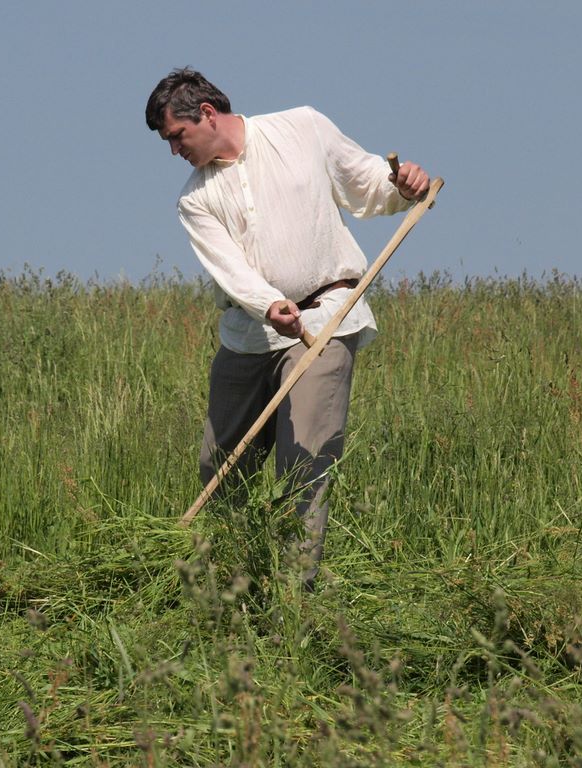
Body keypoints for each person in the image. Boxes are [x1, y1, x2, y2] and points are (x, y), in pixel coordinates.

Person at [145, 68, 430, 586]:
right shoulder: (194, 200)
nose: (173, 150)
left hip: (325, 321)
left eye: (177, 136)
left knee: (304, 463)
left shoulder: (303, 126)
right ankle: (228, 589)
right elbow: (230, 270)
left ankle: (293, 598)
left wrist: (402, 185)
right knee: (219, 467)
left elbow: (366, 183)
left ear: (207, 114)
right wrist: (268, 304)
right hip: (248, 334)